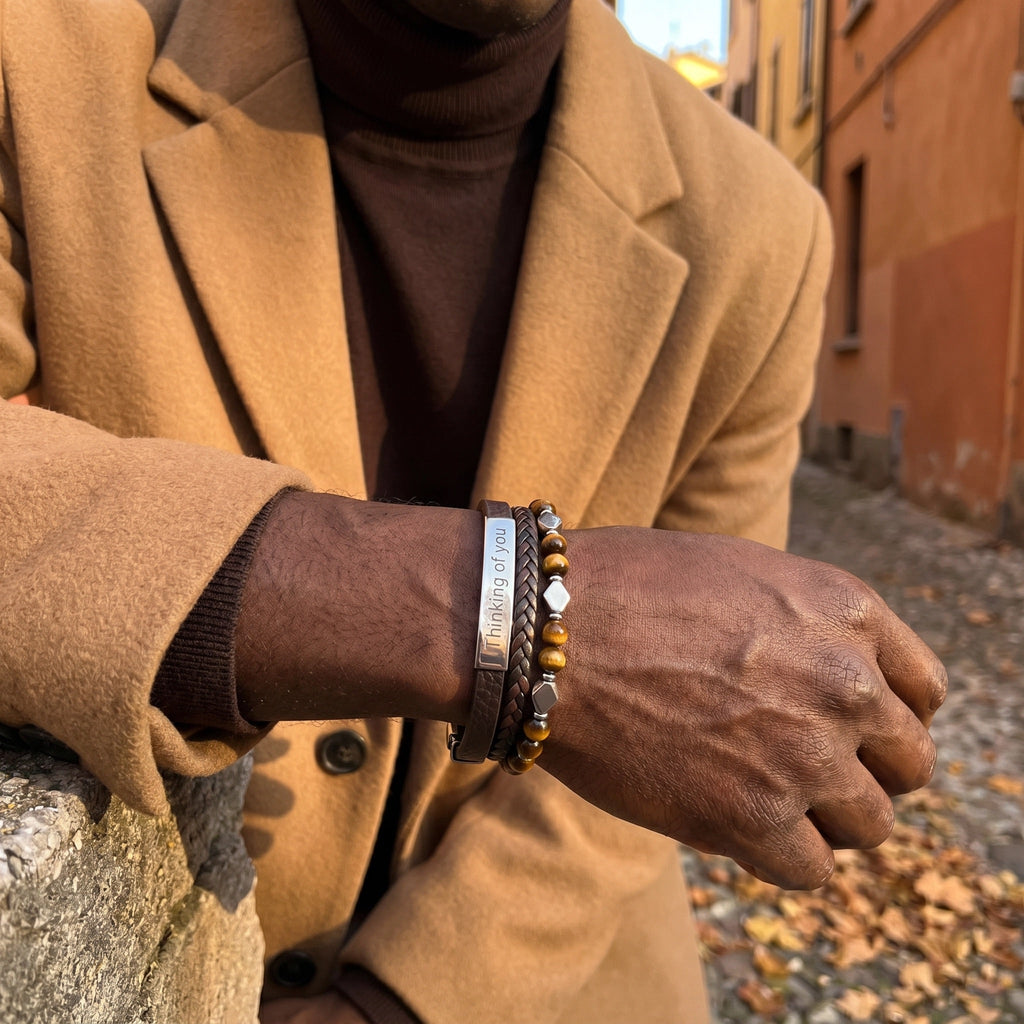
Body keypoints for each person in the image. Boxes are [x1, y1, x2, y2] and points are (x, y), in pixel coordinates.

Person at [0, 0, 946, 1021]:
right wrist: (513, 618)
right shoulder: (40, 57)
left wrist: (401, 1004)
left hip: (553, 982)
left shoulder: (760, 226)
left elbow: (682, 732)